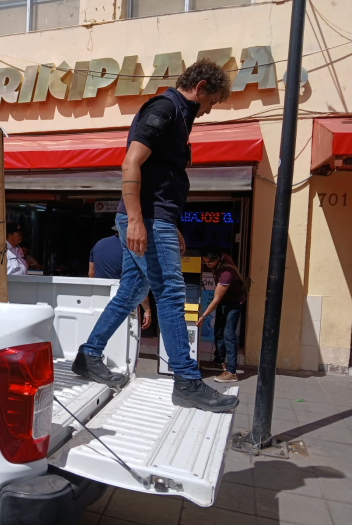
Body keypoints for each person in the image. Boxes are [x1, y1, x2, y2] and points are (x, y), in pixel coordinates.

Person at [71, 59, 239, 413]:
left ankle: (89, 355)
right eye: (212, 102)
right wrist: (136, 220)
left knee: (131, 292)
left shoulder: (177, 114)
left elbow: (160, 179)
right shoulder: (165, 109)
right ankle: (187, 381)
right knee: (172, 293)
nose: (209, 110)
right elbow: (130, 162)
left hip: (155, 217)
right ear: (200, 87)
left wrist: (169, 222)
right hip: (146, 219)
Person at [198, 246, 247, 383]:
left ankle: (231, 372)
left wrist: (203, 316)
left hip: (234, 302)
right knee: (218, 331)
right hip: (225, 301)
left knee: (229, 335)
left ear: (218, 259)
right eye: (205, 262)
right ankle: (219, 361)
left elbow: (216, 299)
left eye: (210, 263)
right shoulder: (221, 257)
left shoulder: (226, 272)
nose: (207, 265)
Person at [89, 226, 152, 330]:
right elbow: (137, 283)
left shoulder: (99, 244)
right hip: (123, 300)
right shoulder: (131, 248)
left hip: (98, 299)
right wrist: (147, 310)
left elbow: (91, 274)